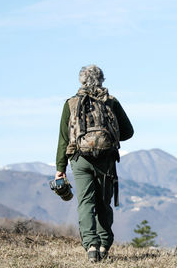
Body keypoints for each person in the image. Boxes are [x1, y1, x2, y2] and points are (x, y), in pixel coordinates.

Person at [55, 65, 134, 262]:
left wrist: (60, 169)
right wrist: (108, 138)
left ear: (81, 81)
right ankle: (104, 244)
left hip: (79, 159)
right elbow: (129, 132)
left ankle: (91, 246)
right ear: (102, 80)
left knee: (85, 202)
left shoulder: (71, 103)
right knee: (103, 203)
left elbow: (64, 139)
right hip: (106, 159)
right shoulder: (111, 102)